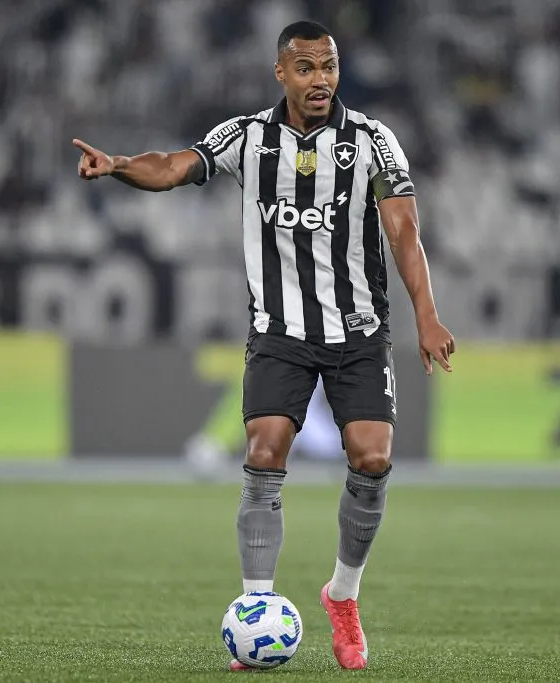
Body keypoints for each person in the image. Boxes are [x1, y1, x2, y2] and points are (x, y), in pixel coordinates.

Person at [73, 20, 455, 670]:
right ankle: (256, 611)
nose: (320, 80)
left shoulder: (370, 140)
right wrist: (118, 167)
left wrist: (428, 314)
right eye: (306, 68)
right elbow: (172, 166)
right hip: (280, 332)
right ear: (281, 72)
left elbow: (403, 228)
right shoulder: (247, 137)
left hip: (358, 331)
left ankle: (343, 595)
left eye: (329, 67)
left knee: (370, 457)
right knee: (264, 448)